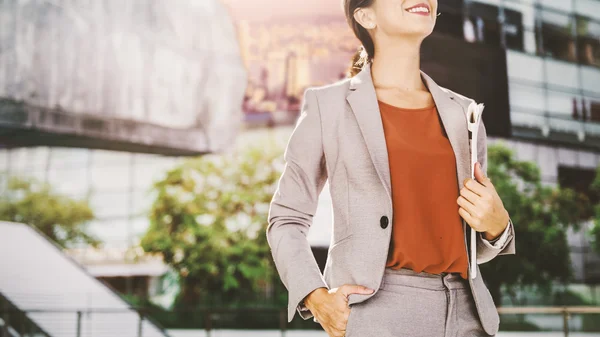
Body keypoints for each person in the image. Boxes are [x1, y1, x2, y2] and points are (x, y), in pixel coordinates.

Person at [266, 1, 516, 336]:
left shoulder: (464, 113)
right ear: (365, 15)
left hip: (467, 314)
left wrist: (498, 227)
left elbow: (476, 241)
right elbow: (286, 219)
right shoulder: (329, 108)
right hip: (378, 311)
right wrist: (314, 296)